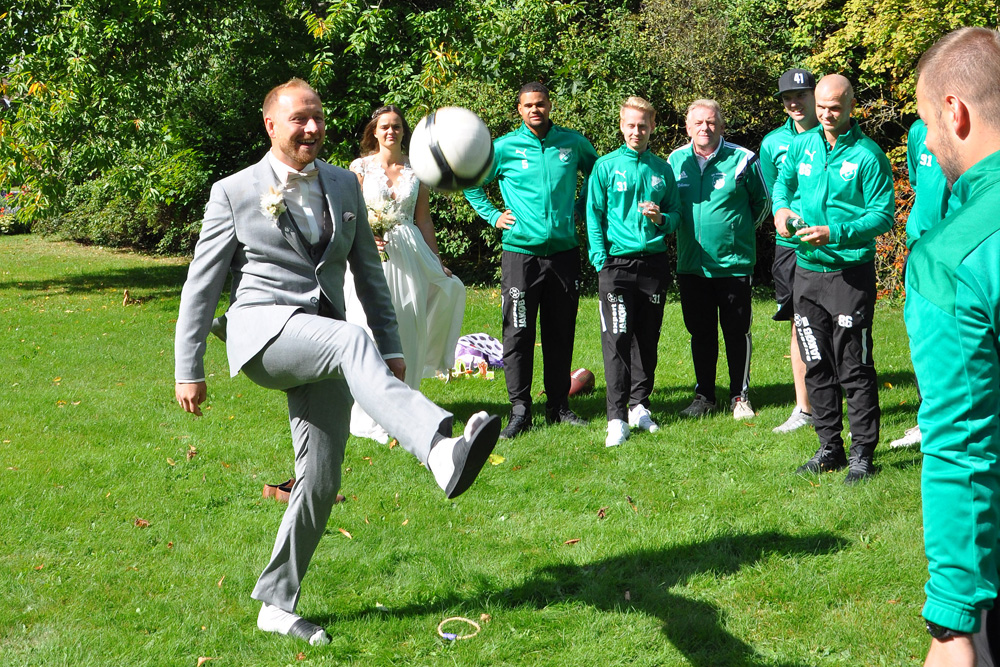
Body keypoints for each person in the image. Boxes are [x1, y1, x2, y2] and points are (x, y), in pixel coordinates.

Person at [173, 79, 500, 645]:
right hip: (263, 335)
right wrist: (189, 364)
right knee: (351, 340)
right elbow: (201, 285)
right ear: (271, 125)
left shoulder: (345, 184)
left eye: (318, 117)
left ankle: (275, 602)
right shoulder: (234, 191)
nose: (312, 128)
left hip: (319, 338)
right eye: (299, 119)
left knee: (321, 482)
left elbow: (369, 276)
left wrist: (394, 349)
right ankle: (441, 452)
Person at [905, 27, 1000, 666]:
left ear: (954, 114)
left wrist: (953, 622)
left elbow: (961, 442)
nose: (926, 147)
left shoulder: (951, 257)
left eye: (924, 124)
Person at [772, 74, 894, 484]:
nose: (826, 114)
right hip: (806, 271)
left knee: (853, 366)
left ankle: (862, 452)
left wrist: (834, 233)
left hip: (848, 274)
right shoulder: (802, 145)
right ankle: (830, 447)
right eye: (821, 106)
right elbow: (783, 187)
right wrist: (782, 213)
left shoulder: (868, 155)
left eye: (835, 107)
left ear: (851, 107)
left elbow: (882, 215)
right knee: (816, 361)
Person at [464, 82, 598, 439]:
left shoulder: (571, 143)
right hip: (521, 255)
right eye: (528, 106)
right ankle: (520, 411)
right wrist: (493, 216)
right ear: (520, 110)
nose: (534, 110)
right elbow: (471, 182)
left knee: (560, 332)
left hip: (564, 254)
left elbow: (598, 172)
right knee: (518, 332)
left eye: (540, 104)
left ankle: (558, 407)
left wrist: (581, 206)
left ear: (550, 105)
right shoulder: (504, 147)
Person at [344, 104, 466, 444]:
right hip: (369, 253)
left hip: (409, 253)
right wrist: (366, 233)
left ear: (403, 131)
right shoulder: (359, 169)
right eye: (384, 126)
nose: (391, 131)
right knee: (366, 326)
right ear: (374, 131)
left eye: (396, 126)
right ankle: (366, 409)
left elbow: (423, 218)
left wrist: (435, 260)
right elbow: (350, 213)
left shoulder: (417, 171)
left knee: (408, 324)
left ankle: (404, 405)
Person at [586, 96, 682, 447]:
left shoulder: (662, 169)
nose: (636, 131)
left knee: (647, 339)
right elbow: (593, 214)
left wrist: (660, 219)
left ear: (652, 127)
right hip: (616, 265)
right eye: (631, 125)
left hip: (653, 265)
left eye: (643, 125)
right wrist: (601, 259)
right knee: (617, 339)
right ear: (622, 125)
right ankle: (615, 417)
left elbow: (676, 217)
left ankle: (640, 406)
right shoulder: (606, 166)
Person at [667, 99, 770, 420]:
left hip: (733, 266)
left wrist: (737, 234)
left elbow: (763, 202)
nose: (704, 128)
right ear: (687, 127)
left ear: (721, 126)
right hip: (691, 265)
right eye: (697, 122)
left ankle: (740, 397)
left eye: (711, 122)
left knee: (736, 332)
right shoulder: (675, 161)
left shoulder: (743, 160)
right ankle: (704, 397)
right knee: (701, 333)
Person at [759, 69, 818, 434]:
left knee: (842, 325)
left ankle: (846, 400)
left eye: (800, 95)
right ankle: (804, 407)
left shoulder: (834, 135)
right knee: (800, 323)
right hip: (789, 248)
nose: (794, 103)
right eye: (787, 98)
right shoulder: (771, 143)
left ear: (814, 95)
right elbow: (773, 194)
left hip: (832, 245)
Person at [888, 117, 951, 449]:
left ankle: (956, 422)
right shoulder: (917, 131)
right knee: (922, 339)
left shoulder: (977, 127)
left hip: (957, 251)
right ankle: (928, 421)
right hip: (919, 249)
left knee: (958, 340)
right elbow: (917, 182)